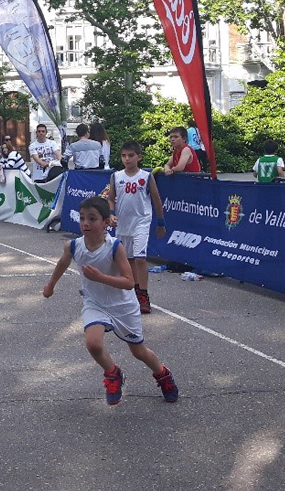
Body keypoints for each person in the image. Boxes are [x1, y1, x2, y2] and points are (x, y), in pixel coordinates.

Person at [42, 197, 179, 406]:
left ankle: (162, 374)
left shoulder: (115, 247)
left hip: (123, 306)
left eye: (92, 219)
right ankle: (113, 373)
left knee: (138, 351)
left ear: (106, 222)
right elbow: (62, 263)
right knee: (93, 343)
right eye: (82, 218)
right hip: (95, 303)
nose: (85, 223)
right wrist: (51, 285)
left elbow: (129, 282)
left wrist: (101, 278)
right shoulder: (73, 246)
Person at [107, 141, 167, 314]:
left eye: (131, 155)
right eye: (124, 155)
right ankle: (133, 290)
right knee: (128, 260)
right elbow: (111, 198)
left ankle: (144, 294)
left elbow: (156, 199)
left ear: (139, 157)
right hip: (123, 223)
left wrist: (161, 222)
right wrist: (111, 213)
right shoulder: (116, 176)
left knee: (140, 258)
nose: (127, 159)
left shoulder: (146, 177)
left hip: (141, 221)